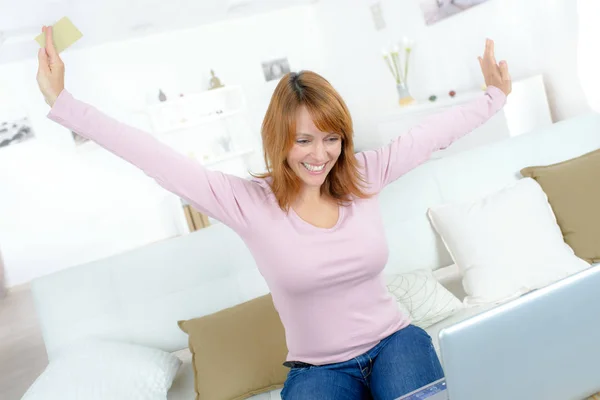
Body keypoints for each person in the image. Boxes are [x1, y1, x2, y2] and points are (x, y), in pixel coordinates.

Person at [36, 24, 511, 400]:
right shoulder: (247, 202)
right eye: (303, 139)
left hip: (395, 343)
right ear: (279, 140)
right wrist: (65, 104)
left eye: (331, 137)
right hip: (319, 370)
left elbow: (430, 135)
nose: (319, 154)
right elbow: (156, 159)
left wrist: (494, 97)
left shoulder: (362, 176)